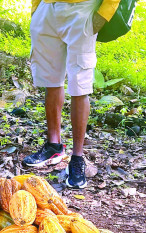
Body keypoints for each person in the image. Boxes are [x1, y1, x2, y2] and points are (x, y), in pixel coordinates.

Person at [23, 0, 121, 189]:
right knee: (50, 80)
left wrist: (102, 16)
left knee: (80, 86)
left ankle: (77, 157)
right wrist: (37, 8)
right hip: (47, 9)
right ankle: (53, 146)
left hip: (82, 9)